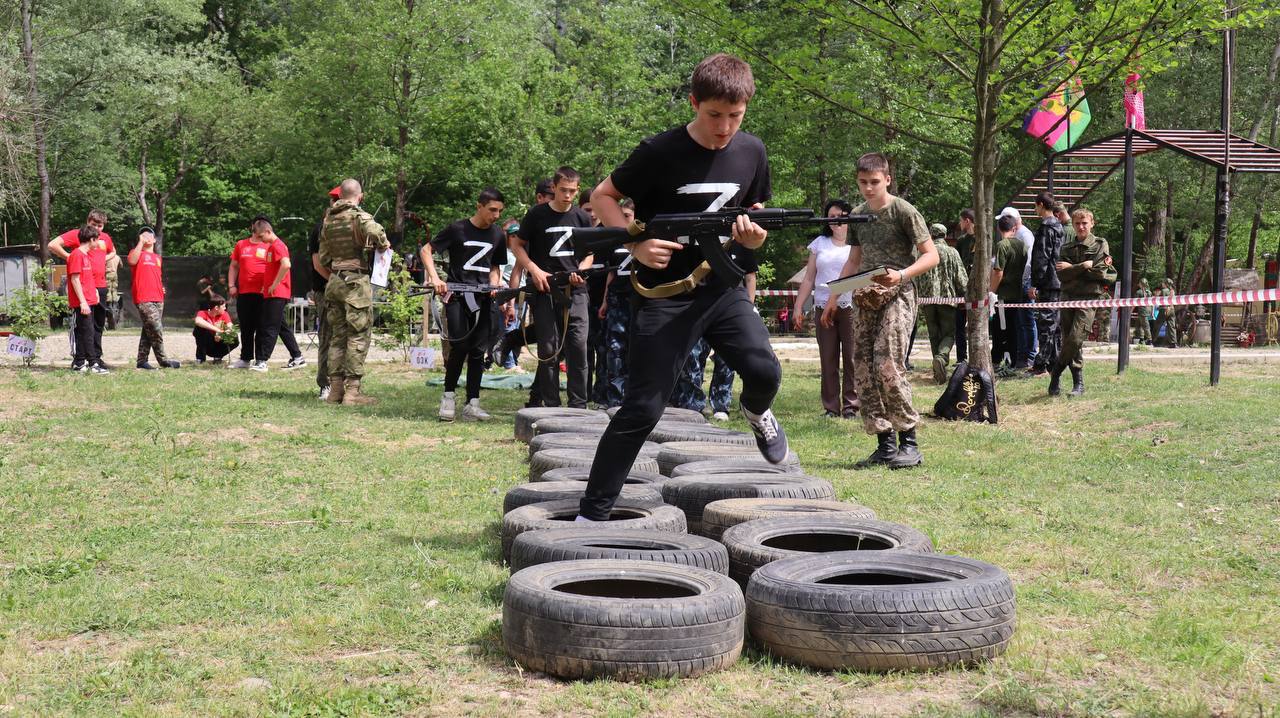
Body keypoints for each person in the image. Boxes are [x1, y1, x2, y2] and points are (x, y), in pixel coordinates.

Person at [579, 53, 787, 522]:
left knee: (766, 373)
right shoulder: (659, 152)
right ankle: (590, 516)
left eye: (736, 116)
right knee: (641, 410)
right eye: (714, 114)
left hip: (723, 288)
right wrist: (634, 245)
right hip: (665, 295)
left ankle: (757, 415)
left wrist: (755, 235)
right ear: (694, 103)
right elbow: (601, 197)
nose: (724, 127)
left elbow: (752, 212)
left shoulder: (752, 150)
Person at [824, 152, 938, 469]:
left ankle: (909, 442)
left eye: (875, 182)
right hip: (865, 295)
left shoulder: (904, 211)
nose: (869, 188)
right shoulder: (859, 215)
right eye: (863, 182)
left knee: (887, 362)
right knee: (862, 365)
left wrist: (901, 275)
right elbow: (854, 260)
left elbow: (931, 256)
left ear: (887, 179)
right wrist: (835, 296)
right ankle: (884, 444)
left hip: (899, 291)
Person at [423, 188, 512, 422]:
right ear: (479, 206)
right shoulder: (458, 229)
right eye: (492, 210)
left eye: (500, 211)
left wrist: (494, 284)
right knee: (459, 347)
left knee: (477, 352)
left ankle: (473, 403)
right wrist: (436, 278)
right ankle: (448, 397)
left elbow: (495, 267)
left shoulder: (497, 235)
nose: (496, 215)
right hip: (457, 298)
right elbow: (426, 250)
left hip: (484, 299)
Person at [510, 166, 595, 408]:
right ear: (554, 188)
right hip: (545, 290)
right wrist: (534, 270)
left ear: (577, 190)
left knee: (578, 345)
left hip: (575, 290)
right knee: (548, 348)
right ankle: (551, 405)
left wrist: (582, 269)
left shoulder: (582, 217)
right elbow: (517, 245)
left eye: (572, 191)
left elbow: (590, 254)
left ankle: (579, 404)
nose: (567, 195)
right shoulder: (537, 215)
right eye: (562, 190)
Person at [317, 178, 390, 405]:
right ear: (359, 195)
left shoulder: (328, 221)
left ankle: (335, 391)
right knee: (358, 335)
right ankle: (352, 392)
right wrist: (381, 245)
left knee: (337, 336)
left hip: (335, 281)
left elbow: (324, 257)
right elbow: (380, 236)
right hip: (355, 282)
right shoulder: (360, 217)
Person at [671, 244, 759, 420]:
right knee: (692, 357)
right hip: (696, 307)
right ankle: (692, 403)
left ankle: (721, 405)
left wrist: (748, 308)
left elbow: (750, 277)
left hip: (729, 308)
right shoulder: (695, 240)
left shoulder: (741, 242)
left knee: (726, 361)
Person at [792, 198, 858, 416]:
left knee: (851, 358)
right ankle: (831, 407)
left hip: (850, 306)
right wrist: (798, 306)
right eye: (831, 217)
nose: (836, 221)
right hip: (822, 305)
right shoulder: (819, 243)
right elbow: (809, 279)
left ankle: (851, 406)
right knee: (828, 358)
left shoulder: (857, 244)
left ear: (849, 217)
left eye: (840, 216)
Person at [1050, 208, 1117, 396]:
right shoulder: (1066, 248)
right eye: (1077, 223)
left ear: (1092, 223)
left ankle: (1056, 371)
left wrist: (1073, 269)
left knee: (1076, 337)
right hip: (1068, 297)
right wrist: (1082, 266)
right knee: (1068, 338)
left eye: (1084, 223)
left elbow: (1100, 272)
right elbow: (1061, 274)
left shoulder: (1100, 244)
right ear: (1073, 225)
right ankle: (1077, 383)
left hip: (1089, 298)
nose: (1081, 227)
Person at [49, 209, 116, 368]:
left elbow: (113, 252)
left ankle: (96, 358)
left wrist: (104, 259)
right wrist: (70, 257)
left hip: (100, 286)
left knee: (98, 325)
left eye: (100, 226)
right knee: (83, 324)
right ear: (88, 222)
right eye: (94, 225)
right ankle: (79, 359)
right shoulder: (79, 235)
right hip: (84, 286)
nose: (97, 229)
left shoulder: (105, 238)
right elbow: (52, 244)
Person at [915, 222, 967, 384]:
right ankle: (941, 358)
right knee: (948, 334)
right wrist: (965, 294)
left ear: (931, 235)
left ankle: (938, 372)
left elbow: (916, 276)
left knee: (933, 335)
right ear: (944, 236)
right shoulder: (952, 252)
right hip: (947, 299)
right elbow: (961, 277)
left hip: (927, 300)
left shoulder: (923, 253)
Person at [601, 199, 637, 407]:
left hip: (640, 300)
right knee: (615, 349)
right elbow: (611, 273)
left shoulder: (646, 237)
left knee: (638, 350)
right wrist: (605, 300)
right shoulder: (616, 240)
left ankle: (634, 398)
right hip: (617, 300)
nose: (623, 219)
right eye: (620, 215)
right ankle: (615, 398)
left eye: (627, 216)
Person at [127, 227, 180, 370]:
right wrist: (140, 243)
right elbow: (132, 261)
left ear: (155, 239)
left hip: (158, 298)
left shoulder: (157, 258)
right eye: (143, 235)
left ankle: (141, 361)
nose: (146, 236)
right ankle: (164, 361)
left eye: (150, 235)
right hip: (144, 298)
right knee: (156, 328)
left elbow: (156, 276)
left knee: (148, 329)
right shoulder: (136, 253)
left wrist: (161, 287)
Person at [1028, 191, 1065, 374]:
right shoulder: (1059, 226)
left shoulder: (1045, 227)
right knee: (1055, 325)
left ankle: (1041, 364)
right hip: (1058, 281)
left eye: (1035, 205)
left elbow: (1041, 258)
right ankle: (1053, 362)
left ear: (1041, 204)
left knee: (1046, 324)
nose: (1035, 209)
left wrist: (1035, 283)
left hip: (1048, 282)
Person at [309, 186, 340, 399]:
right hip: (326, 289)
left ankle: (344, 384)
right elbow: (318, 263)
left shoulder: (352, 225)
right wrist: (337, 281)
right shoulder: (321, 227)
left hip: (349, 289)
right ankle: (325, 384)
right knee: (327, 336)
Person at [997, 206, 1037, 369]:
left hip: (1024, 283)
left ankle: (1030, 356)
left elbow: (1029, 262)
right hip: (1017, 284)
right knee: (1019, 323)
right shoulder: (1016, 235)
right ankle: (1021, 355)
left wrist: (1027, 283)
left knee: (1027, 321)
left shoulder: (1025, 235)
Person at [65, 225, 108, 373]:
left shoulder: (85, 256)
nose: (99, 244)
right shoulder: (77, 255)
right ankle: (92, 364)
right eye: (97, 240)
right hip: (82, 303)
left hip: (90, 300)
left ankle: (81, 363)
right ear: (91, 239)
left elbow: (85, 278)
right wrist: (82, 301)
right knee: (87, 333)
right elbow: (75, 279)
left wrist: (94, 291)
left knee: (87, 332)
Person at [989, 214, 1026, 370]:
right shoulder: (1022, 245)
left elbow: (998, 272)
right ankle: (1010, 360)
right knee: (1012, 327)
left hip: (1003, 294)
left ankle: (1002, 361)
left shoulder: (1002, 245)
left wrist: (991, 291)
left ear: (999, 228)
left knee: (1001, 329)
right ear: (1014, 228)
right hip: (1017, 292)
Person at [953, 208, 976, 363]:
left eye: (961, 220)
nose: (960, 223)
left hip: (977, 288)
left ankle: (976, 356)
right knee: (959, 324)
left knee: (976, 325)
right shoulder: (961, 241)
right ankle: (962, 358)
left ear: (967, 220)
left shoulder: (982, 239)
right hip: (962, 288)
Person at [193, 294, 238, 363]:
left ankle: (218, 356)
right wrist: (218, 330)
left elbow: (231, 327)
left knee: (234, 336)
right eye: (223, 306)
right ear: (216, 307)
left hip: (219, 345)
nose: (225, 308)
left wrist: (223, 335)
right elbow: (198, 321)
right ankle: (200, 359)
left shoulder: (224, 314)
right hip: (207, 345)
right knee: (199, 328)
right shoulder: (202, 313)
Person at [1132, 277, 1154, 345]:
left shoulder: (1138, 292)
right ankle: (1141, 339)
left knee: (1145, 326)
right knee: (1140, 325)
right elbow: (1152, 303)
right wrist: (1152, 312)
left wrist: (1131, 310)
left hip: (1142, 311)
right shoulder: (1149, 292)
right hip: (1147, 310)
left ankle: (1149, 340)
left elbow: (1134, 303)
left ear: (1141, 284)